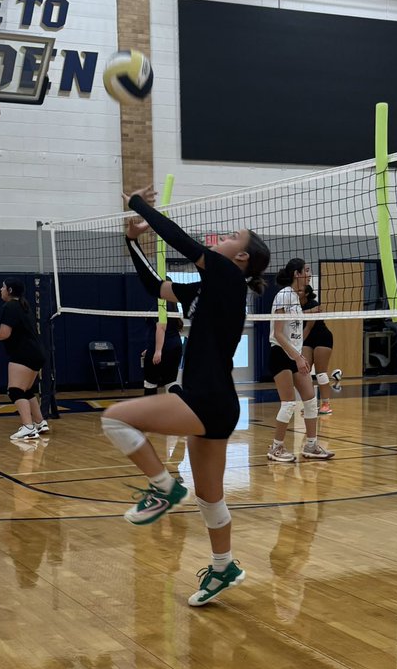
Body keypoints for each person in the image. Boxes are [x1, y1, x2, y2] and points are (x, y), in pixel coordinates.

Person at [100, 185, 271, 607]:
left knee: (115, 418)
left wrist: (138, 204)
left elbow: (180, 239)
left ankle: (162, 488)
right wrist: (130, 239)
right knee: (210, 497)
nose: (223, 238)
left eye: (233, 236)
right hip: (216, 399)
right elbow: (155, 288)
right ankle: (223, 566)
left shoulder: (229, 275)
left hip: (206, 396)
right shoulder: (207, 288)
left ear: (242, 257)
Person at [268, 259, 334, 462]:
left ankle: (311, 446)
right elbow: (279, 334)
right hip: (281, 353)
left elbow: (293, 321)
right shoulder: (284, 295)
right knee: (288, 404)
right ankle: (276, 448)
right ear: (297, 274)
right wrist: (297, 357)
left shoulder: (296, 298)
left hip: (295, 354)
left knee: (310, 401)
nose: (309, 273)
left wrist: (299, 355)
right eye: (306, 270)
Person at [0, 278, 48, 441]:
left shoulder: (10, 306)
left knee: (15, 390)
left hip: (23, 353)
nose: (0, 290)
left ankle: (28, 427)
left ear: (10, 290)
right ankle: (39, 422)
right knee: (26, 390)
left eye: (3, 287)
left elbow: (4, 333)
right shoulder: (23, 305)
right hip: (36, 352)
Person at [300, 283, 339, 414]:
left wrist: (297, 346)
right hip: (308, 339)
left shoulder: (312, 304)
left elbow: (308, 327)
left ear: (306, 293)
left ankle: (326, 404)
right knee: (304, 371)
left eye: (300, 290)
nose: (296, 292)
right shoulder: (295, 305)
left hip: (322, 337)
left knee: (321, 373)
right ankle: (310, 404)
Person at [140, 306, 184, 397]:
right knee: (170, 382)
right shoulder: (173, 305)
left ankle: (150, 410)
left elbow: (161, 327)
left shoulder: (162, 303)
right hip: (175, 346)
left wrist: (157, 350)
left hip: (165, 347)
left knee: (150, 383)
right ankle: (188, 405)